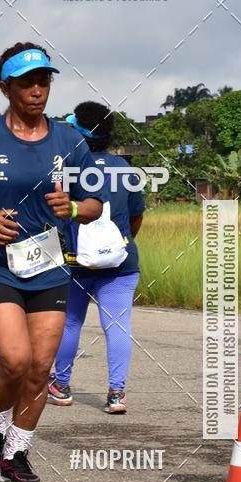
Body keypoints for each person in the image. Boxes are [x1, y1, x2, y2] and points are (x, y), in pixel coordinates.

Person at [0, 42, 102, 482]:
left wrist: (74, 207)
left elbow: (95, 203)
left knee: (41, 368)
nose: (37, 90)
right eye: (27, 82)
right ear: (5, 86)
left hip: (49, 266)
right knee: (14, 361)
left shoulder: (70, 141)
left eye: (44, 81)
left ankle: (16, 452)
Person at [48, 102, 144, 413]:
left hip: (75, 262)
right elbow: (136, 217)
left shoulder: (67, 168)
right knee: (118, 326)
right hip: (120, 261)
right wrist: (115, 245)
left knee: (71, 322)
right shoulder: (125, 168)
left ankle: (61, 386)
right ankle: (117, 393)